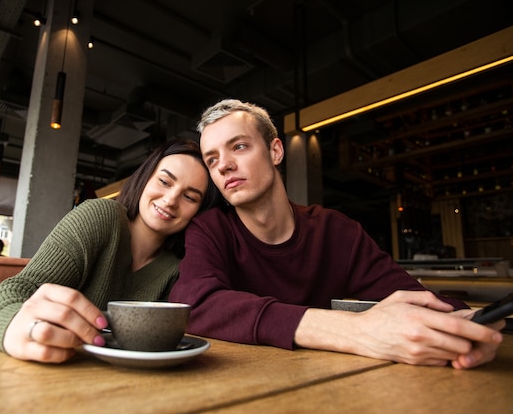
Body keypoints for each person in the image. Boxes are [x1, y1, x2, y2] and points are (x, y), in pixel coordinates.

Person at [169, 99, 504, 369]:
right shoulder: (210, 228)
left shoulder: (335, 231)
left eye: (238, 147)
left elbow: (413, 297)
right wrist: (355, 331)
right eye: (212, 160)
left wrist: (471, 326)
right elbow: (193, 305)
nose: (223, 165)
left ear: (275, 151)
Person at [0, 139, 220, 363]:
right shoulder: (100, 217)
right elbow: (13, 293)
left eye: (189, 196)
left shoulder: (179, 267)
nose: (170, 199)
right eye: (164, 181)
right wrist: (14, 327)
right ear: (145, 178)